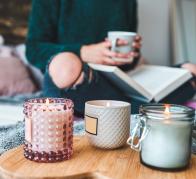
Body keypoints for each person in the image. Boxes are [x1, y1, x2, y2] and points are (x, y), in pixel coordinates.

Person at [26, 0, 195, 115]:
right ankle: (140, 107)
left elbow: (129, 63)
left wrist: (131, 55)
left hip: (116, 80)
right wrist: (84, 52)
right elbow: (33, 49)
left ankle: (128, 107)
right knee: (66, 65)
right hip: (81, 80)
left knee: (191, 70)